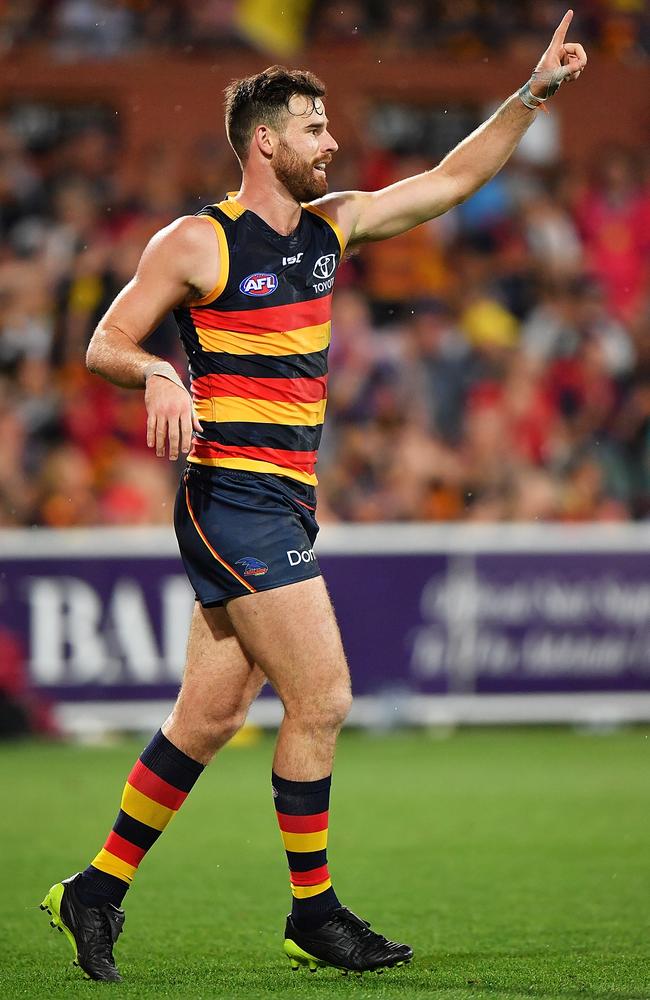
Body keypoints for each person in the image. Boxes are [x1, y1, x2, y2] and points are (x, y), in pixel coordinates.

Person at [41, 11, 586, 981]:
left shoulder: (334, 225)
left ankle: (96, 889)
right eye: (314, 129)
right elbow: (104, 344)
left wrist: (532, 92)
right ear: (264, 141)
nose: (331, 142)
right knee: (323, 695)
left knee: (207, 718)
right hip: (230, 502)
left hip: (285, 502)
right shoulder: (196, 242)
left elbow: (453, 178)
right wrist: (160, 376)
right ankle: (312, 913)